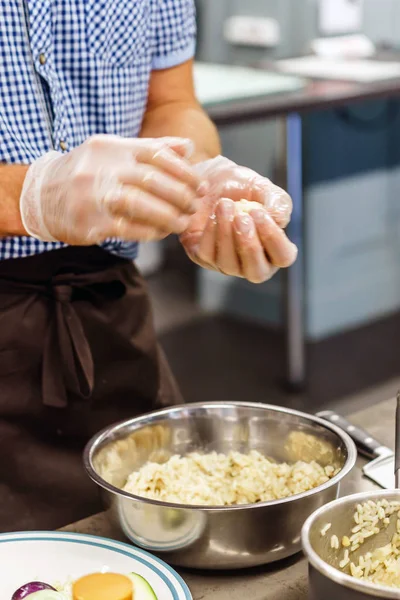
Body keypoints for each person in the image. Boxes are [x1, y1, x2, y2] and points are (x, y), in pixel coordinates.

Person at [0, 0, 297, 531]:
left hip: (107, 306)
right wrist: (29, 197)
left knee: (153, 536)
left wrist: (193, 175)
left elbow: (173, 101)